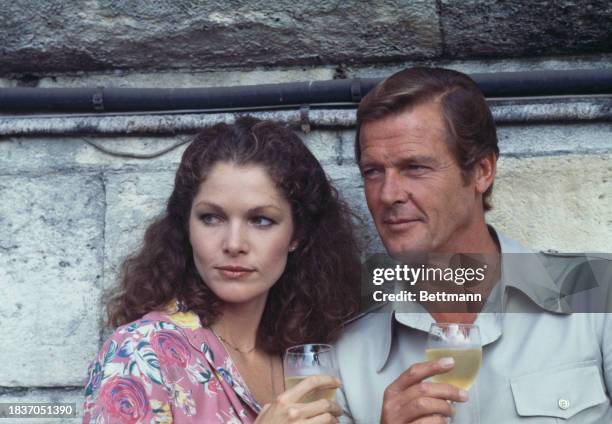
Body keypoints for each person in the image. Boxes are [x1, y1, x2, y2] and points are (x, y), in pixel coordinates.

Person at [334, 67, 612, 423]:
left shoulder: (595, 295)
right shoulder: (343, 355)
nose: (388, 194)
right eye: (373, 172)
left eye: (415, 167)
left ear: (482, 171)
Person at [83, 117, 362, 423]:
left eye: (261, 220)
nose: (233, 244)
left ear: (297, 235)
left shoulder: (300, 356)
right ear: (185, 226)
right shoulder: (139, 353)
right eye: (211, 218)